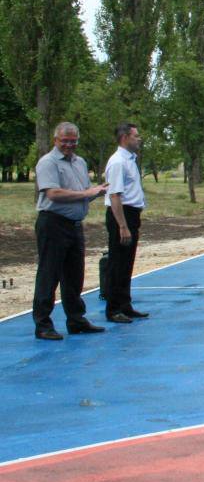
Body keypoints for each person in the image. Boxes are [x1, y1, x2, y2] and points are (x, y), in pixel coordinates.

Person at [32, 122, 108, 340]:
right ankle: (43, 325)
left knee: (74, 275)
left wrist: (98, 191)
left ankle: (76, 319)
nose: (69, 145)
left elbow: (83, 192)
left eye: (73, 141)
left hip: (74, 225)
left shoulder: (80, 162)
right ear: (56, 140)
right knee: (49, 274)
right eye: (64, 140)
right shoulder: (48, 162)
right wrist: (86, 194)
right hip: (53, 223)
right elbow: (53, 194)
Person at [103, 122, 148, 324]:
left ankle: (125, 305)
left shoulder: (130, 160)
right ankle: (113, 309)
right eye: (136, 136)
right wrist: (122, 225)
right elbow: (114, 196)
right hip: (121, 215)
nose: (139, 139)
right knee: (117, 263)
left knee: (127, 262)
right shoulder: (118, 162)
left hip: (131, 214)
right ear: (125, 137)